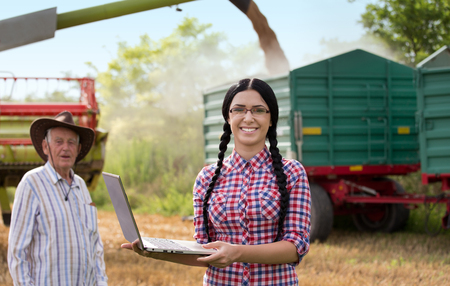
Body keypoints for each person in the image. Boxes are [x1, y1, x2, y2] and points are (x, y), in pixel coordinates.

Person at [122, 78, 311, 285]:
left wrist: (237, 252)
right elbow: (203, 250)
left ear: (271, 118)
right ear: (228, 117)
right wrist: (153, 251)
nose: (248, 118)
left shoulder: (292, 172)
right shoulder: (207, 177)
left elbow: (296, 247)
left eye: (258, 110)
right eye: (239, 109)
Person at [8, 111, 108, 286]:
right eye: (59, 141)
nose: (65, 148)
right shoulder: (32, 183)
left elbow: (95, 245)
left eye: (71, 143)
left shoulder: (81, 186)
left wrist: (101, 282)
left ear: (78, 149)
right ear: (46, 147)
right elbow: (17, 252)